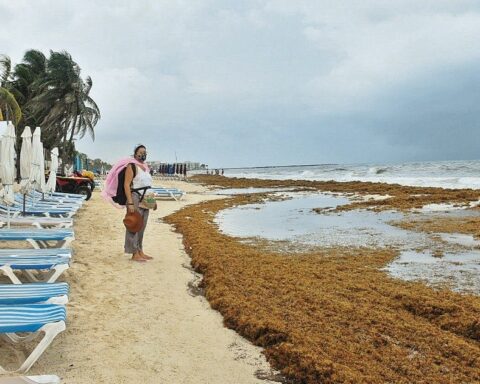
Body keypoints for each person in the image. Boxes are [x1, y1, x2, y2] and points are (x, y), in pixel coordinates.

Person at [123, 144, 157, 262]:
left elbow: (148, 186)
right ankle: (134, 253)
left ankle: (140, 250)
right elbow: (126, 185)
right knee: (134, 225)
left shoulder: (146, 168)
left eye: (145, 152)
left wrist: (153, 202)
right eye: (141, 152)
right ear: (135, 154)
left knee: (142, 226)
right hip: (135, 197)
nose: (143, 154)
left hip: (147, 197)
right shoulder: (131, 166)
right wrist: (130, 203)